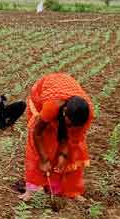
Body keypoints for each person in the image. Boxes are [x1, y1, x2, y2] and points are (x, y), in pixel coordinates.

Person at [21, 73, 93, 201]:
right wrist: (44, 159)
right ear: (64, 112)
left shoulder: (86, 114)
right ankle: (32, 189)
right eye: (69, 124)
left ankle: (69, 190)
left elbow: (70, 139)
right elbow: (37, 133)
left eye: (73, 126)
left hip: (64, 97)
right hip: (42, 97)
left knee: (76, 150)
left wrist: (63, 156)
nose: (70, 127)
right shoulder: (51, 107)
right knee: (44, 143)